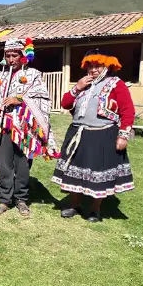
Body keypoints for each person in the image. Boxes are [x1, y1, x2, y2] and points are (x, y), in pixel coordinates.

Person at [52, 49, 135, 222]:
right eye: (90, 66)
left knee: (99, 172)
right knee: (73, 170)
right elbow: (65, 103)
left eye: (98, 66)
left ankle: (95, 208)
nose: (94, 70)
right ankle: (74, 205)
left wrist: (123, 135)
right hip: (78, 133)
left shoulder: (116, 84)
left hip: (102, 134)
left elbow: (128, 110)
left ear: (108, 66)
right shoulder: (84, 84)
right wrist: (77, 87)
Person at [0, 38, 58, 216]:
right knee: (3, 164)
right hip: (1, 127)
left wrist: (19, 99)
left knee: (22, 164)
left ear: (23, 56)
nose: (11, 59)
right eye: (8, 55)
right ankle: (4, 200)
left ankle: (21, 199)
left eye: (15, 55)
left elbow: (42, 98)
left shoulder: (34, 75)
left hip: (24, 128)